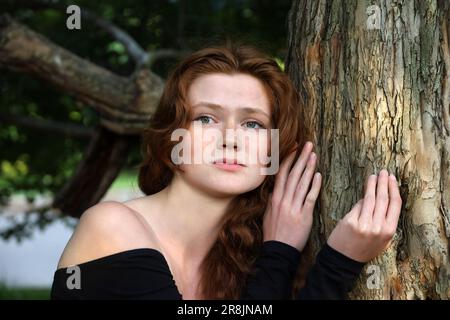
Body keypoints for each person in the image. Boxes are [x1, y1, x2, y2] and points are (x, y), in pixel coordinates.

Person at [51, 44, 402, 300]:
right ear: (171, 136)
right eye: (206, 118)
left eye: (252, 123)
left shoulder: (243, 254)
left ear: (274, 151)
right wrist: (336, 264)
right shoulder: (112, 226)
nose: (230, 138)